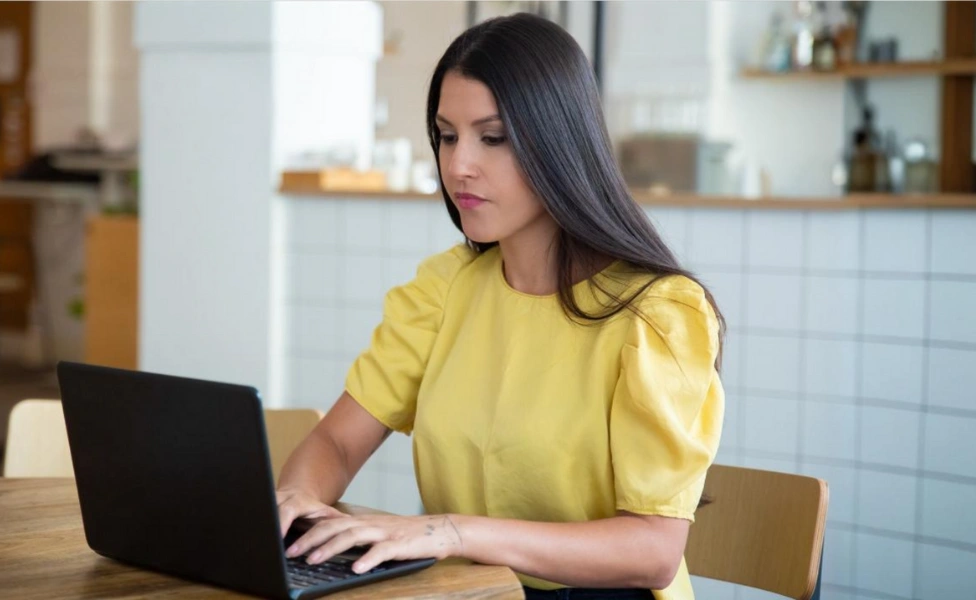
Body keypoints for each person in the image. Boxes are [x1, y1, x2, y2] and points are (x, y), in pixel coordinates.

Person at [276, 13, 725, 600]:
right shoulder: (443, 289)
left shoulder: (659, 315)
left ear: (558, 144)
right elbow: (335, 442)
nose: (459, 164)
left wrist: (452, 532)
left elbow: (653, 552)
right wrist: (297, 504)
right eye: (446, 134)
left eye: (493, 137)